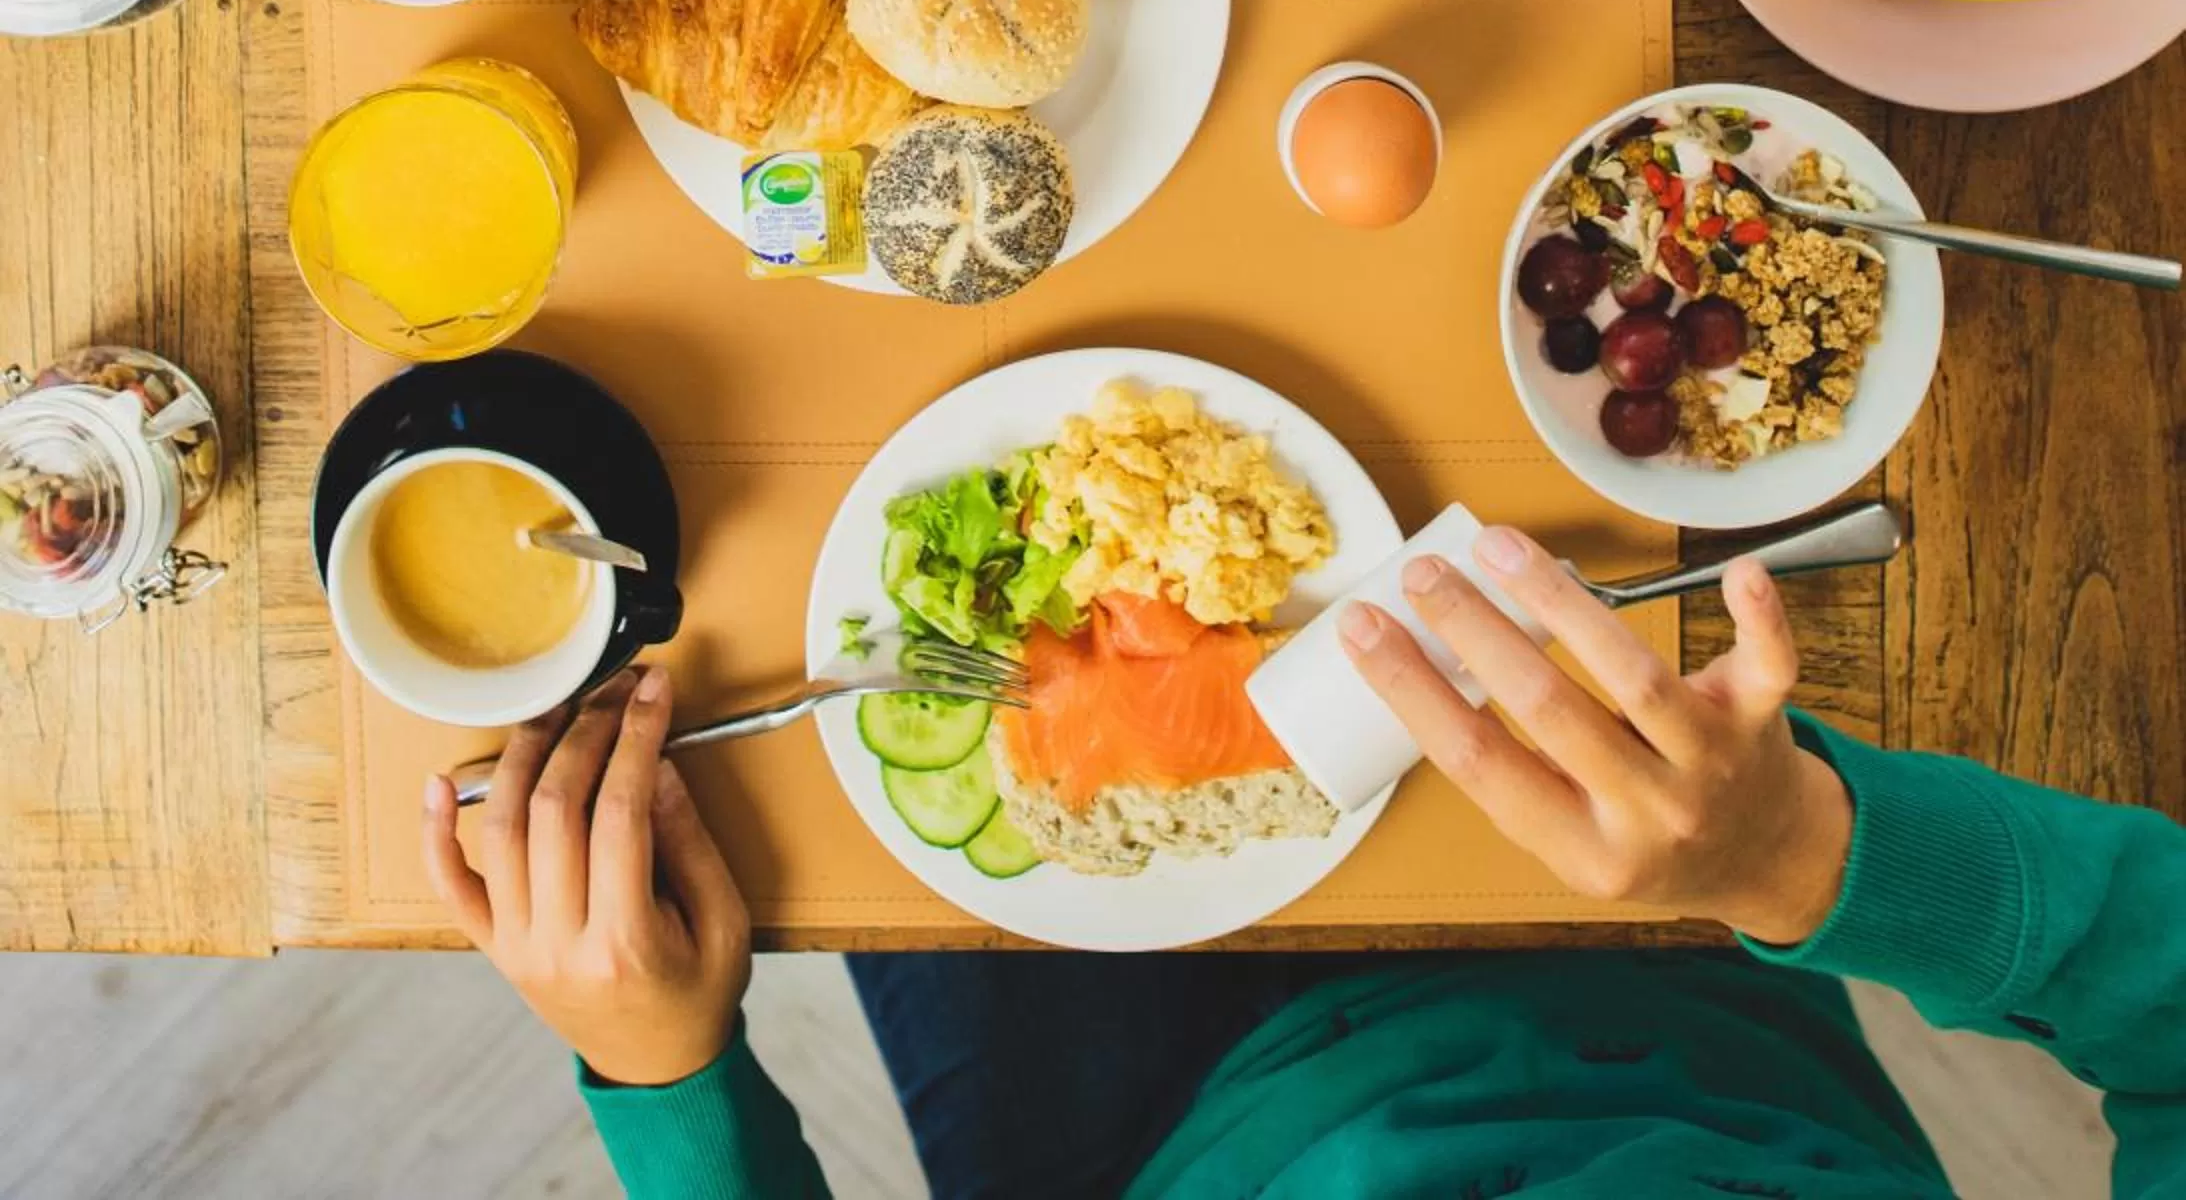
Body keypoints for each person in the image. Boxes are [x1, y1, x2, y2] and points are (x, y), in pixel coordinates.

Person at [421, 526, 2186, 1198]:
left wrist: (668, 1083)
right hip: (1691, 995)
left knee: (826, 619)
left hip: (1129, 1131)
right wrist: (1803, 852)